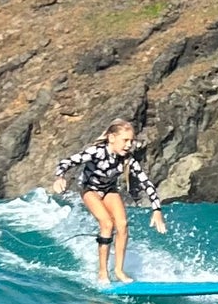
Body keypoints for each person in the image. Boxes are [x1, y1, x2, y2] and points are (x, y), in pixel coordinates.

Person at [50, 119, 167, 285]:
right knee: (107, 224)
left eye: (131, 141)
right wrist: (59, 177)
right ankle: (103, 272)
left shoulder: (128, 160)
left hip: (109, 190)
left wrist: (157, 210)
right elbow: (67, 162)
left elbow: (146, 182)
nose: (128, 145)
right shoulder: (96, 152)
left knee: (122, 224)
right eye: (125, 140)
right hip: (89, 189)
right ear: (112, 138)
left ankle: (119, 270)